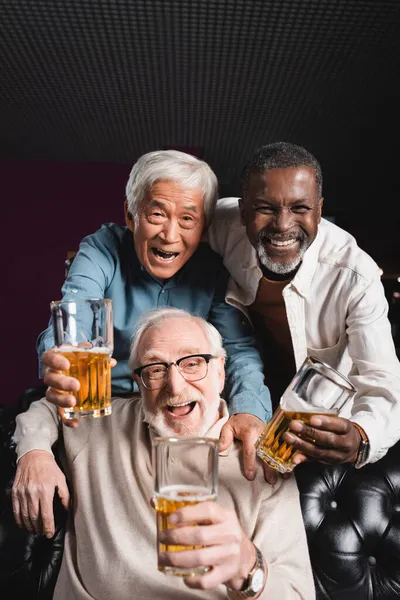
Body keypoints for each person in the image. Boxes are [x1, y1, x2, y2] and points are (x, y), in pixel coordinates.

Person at [12, 150, 272, 527]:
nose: (170, 234)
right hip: (102, 411)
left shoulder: (213, 271)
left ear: (203, 228)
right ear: (131, 215)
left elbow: (239, 351)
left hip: (173, 408)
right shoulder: (102, 249)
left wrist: (249, 409)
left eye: (187, 219)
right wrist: (60, 356)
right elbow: (75, 312)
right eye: (156, 214)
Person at [13, 308, 315, 600]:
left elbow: (298, 594)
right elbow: (46, 408)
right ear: (138, 382)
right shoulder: (103, 425)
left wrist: (248, 568)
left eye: (193, 363)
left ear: (221, 371)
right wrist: (34, 453)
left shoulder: (262, 460)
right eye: (156, 369)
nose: (175, 385)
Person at [208, 141, 400, 480]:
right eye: (264, 208)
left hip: (312, 432)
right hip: (237, 407)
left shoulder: (355, 277)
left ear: (319, 210)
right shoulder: (219, 227)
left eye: (300, 208)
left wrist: (360, 437)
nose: (283, 225)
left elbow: (384, 383)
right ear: (241, 211)